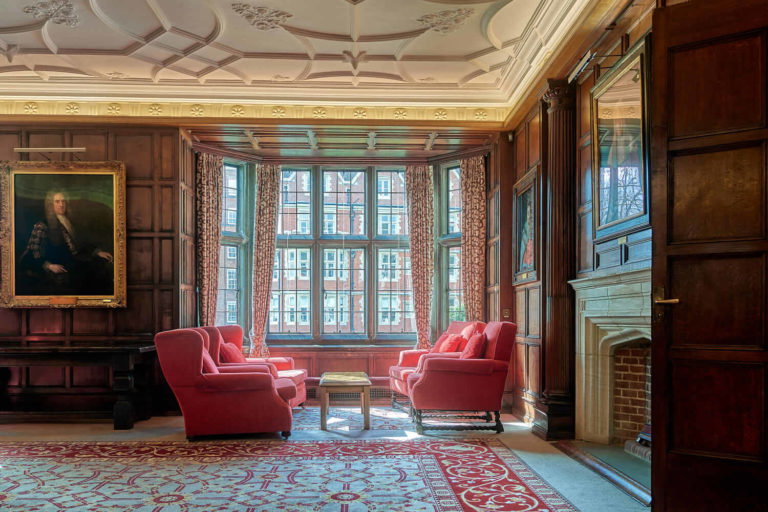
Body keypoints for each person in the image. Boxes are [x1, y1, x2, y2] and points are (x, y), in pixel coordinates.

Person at [17, 190, 113, 296]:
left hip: (74, 260)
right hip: (58, 264)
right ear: (50, 205)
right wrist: (49, 266)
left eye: (63, 201)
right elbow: (33, 251)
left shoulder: (69, 221)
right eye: (57, 201)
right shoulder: (42, 225)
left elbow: (80, 243)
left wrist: (97, 252)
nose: (61, 204)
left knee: (101, 271)